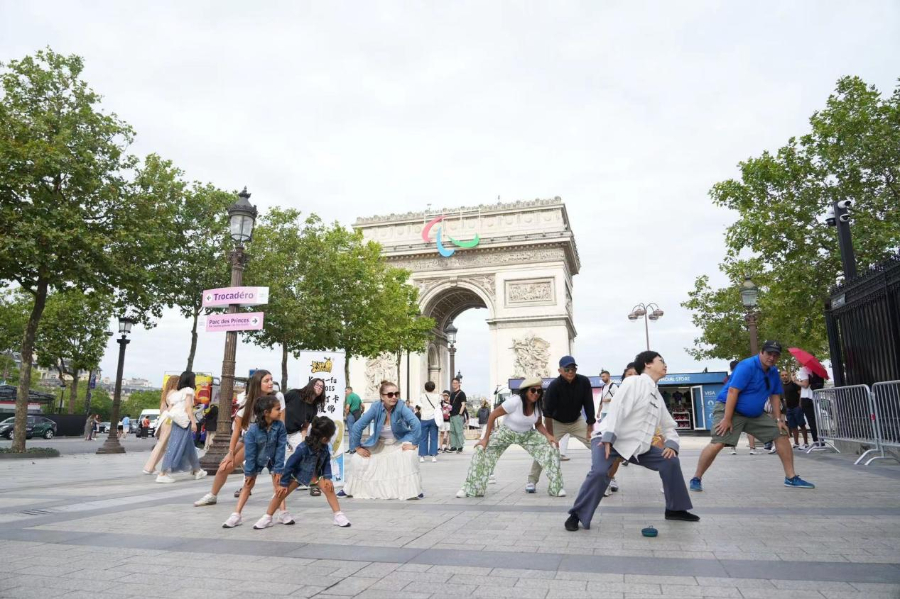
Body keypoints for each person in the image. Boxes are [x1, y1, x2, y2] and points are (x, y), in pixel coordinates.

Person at [565, 351, 699, 532]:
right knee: (599, 472)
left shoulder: (657, 395)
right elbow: (617, 409)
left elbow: (668, 425)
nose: (665, 364)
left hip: (637, 447)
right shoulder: (633, 382)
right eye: (661, 361)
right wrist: (609, 437)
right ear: (647, 364)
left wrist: (671, 445)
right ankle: (576, 515)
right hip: (608, 441)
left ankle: (676, 509)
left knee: (670, 461)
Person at [690, 341, 816, 492]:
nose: (772, 358)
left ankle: (791, 477)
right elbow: (733, 392)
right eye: (769, 354)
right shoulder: (746, 366)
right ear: (761, 352)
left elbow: (775, 395)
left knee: (781, 433)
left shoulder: (773, 372)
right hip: (729, 410)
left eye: (775, 355)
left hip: (754, 414)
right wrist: (727, 419)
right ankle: (696, 478)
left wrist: (778, 420)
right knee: (718, 442)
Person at [193, 370, 291, 522]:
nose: (271, 383)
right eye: (266, 380)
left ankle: (283, 512)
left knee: (277, 475)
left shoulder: (278, 397)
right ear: (257, 384)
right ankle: (212, 495)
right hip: (251, 439)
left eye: (271, 379)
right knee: (224, 466)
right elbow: (237, 429)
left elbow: (281, 422)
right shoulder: (248, 402)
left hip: (272, 439)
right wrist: (231, 452)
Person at [457, 376, 564, 498]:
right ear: (525, 391)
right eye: (533, 390)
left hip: (527, 434)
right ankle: (470, 488)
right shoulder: (515, 401)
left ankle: (556, 488)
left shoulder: (538, 405)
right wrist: (485, 438)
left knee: (551, 448)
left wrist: (549, 436)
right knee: (482, 451)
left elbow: (538, 424)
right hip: (506, 433)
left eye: (539, 391)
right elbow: (493, 415)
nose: (536, 394)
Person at [254, 416, 351, 529]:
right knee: (280, 494)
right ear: (324, 438)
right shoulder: (303, 448)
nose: (330, 439)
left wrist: (327, 478)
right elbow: (289, 465)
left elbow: (326, 463)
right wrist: (283, 484)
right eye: (330, 436)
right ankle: (267, 517)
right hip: (298, 475)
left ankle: (338, 515)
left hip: (316, 476)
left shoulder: (324, 447)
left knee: (329, 489)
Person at [342, 381, 423, 500]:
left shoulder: (401, 406)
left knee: (409, 455)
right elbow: (357, 426)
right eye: (390, 394)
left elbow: (416, 423)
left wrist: (414, 444)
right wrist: (357, 447)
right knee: (357, 458)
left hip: (399, 442)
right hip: (379, 443)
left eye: (396, 394)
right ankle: (350, 489)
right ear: (382, 396)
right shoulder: (375, 407)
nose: (394, 397)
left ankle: (414, 490)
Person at [527, 356, 595, 494]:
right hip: (556, 422)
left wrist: (590, 427)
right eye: (567, 369)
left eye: (573, 368)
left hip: (576, 421)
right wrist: (550, 436)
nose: (571, 372)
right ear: (560, 370)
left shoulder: (584, 382)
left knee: (597, 444)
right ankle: (531, 481)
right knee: (545, 448)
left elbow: (589, 404)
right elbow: (547, 414)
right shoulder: (554, 386)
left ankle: (609, 477)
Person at [222, 395, 287, 528]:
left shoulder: (280, 426)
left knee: (278, 483)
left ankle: (283, 512)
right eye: (277, 409)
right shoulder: (253, 430)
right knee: (248, 485)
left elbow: (281, 448)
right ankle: (236, 515)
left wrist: (279, 468)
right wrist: (249, 473)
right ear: (266, 412)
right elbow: (250, 453)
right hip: (257, 459)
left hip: (274, 458)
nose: (280, 412)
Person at [156, 371, 207, 483]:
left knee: (189, 446)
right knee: (175, 446)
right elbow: (188, 407)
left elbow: (170, 408)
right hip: (184, 422)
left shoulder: (177, 393)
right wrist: (193, 422)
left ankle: (197, 470)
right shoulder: (189, 391)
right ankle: (162, 473)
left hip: (176, 421)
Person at [284, 378, 326, 491]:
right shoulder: (294, 394)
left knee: (307, 452)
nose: (319, 387)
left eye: (321, 387)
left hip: (293, 432)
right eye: (317, 384)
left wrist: (303, 439)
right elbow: (277, 404)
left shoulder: (313, 408)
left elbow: (305, 427)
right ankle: (246, 482)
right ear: (311, 385)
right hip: (278, 430)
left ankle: (310, 481)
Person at [143, 376, 178, 475]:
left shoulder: (166, 393)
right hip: (170, 419)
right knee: (162, 445)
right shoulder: (174, 393)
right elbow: (172, 408)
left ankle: (151, 466)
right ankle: (149, 467)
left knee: (162, 445)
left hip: (165, 419)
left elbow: (162, 409)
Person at [597, 369, 619, 490]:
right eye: (601, 377)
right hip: (604, 413)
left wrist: (609, 400)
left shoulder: (614, 386)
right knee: (603, 434)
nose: (602, 378)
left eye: (604, 376)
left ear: (609, 376)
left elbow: (619, 398)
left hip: (612, 412)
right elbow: (601, 400)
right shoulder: (603, 387)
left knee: (611, 434)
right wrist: (599, 411)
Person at [796, 366, 823, 447]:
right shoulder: (811, 369)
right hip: (813, 397)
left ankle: (816, 441)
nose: (796, 361)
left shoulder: (803, 369)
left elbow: (805, 384)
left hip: (806, 398)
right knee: (814, 420)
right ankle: (819, 440)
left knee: (811, 421)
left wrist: (795, 381)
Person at [782, 370, 808, 448]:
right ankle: (796, 443)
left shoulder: (794, 384)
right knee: (793, 426)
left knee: (802, 425)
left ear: (788, 375)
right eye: (782, 375)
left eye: (786, 375)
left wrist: (800, 404)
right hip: (788, 409)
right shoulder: (781, 386)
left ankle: (806, 443)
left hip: (797, 407)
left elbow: (800, 393)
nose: (784, 376)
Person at [417, 381, 441, 462]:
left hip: (424, 418)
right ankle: (433, 456)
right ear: (434, 388)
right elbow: (439, 405)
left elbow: (419, 405)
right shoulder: (438, 396)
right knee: (434, 438)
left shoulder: (422, 396)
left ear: (425, 388)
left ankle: (422, 456)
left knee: (423, 438)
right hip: (434, 418)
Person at [448, 378, 467, 453]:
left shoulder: (461, 393)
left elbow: (463, 404)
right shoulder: (452, 394)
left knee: (459, 431)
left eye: (456, 383)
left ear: (459, 383)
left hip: (458, 415)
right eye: (453, 383)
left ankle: (460, 446)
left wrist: (460, 414)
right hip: (452, 415)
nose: (454, 384)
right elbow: (450, 405)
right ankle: (453, 446)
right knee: (452, 431)